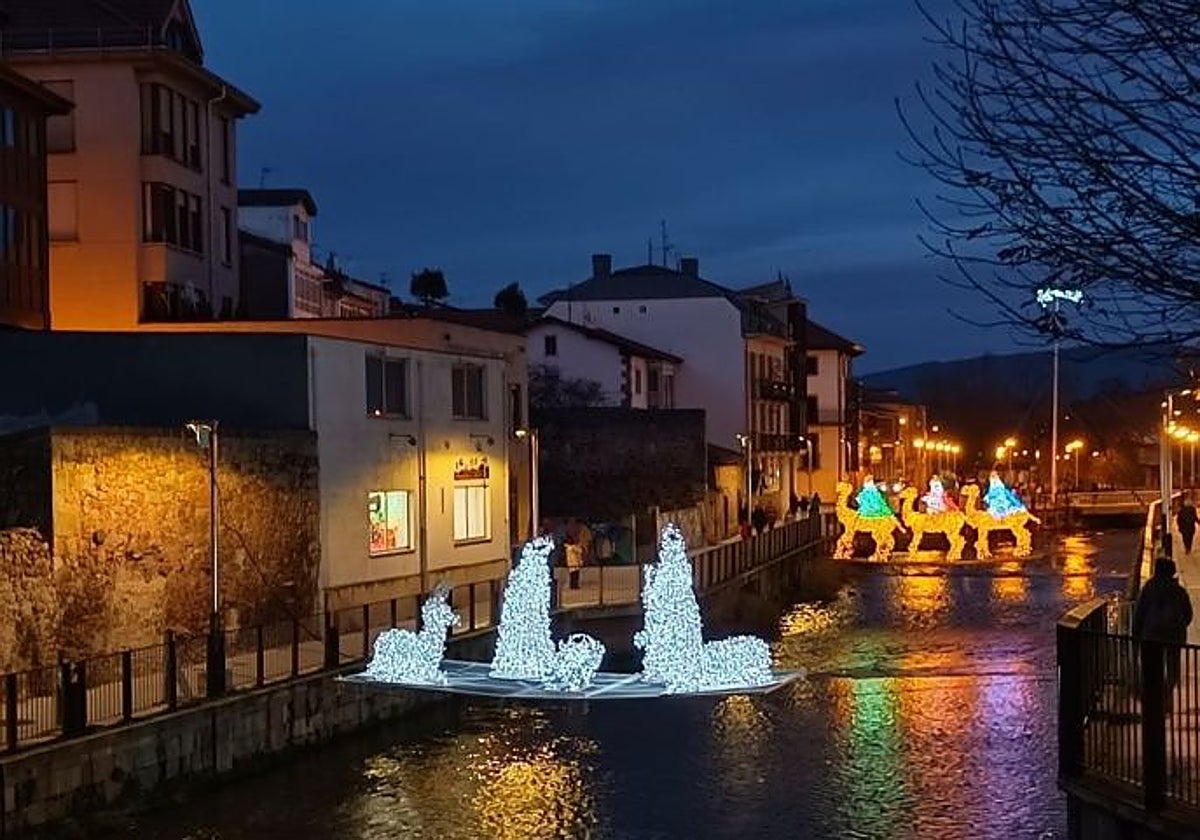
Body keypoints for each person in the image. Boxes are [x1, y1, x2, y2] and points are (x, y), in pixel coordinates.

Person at [1133, 557, 1194, 713]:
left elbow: (1140, 613)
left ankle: (1154, 699)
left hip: (1151, 635)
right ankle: (1166, 694)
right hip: (1174, 635)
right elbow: (1188, 614)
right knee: (1172, 666)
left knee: (1153, 668)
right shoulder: (1179, 590)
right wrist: (1179, 626)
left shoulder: (1148, 588)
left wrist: (1137, 634)